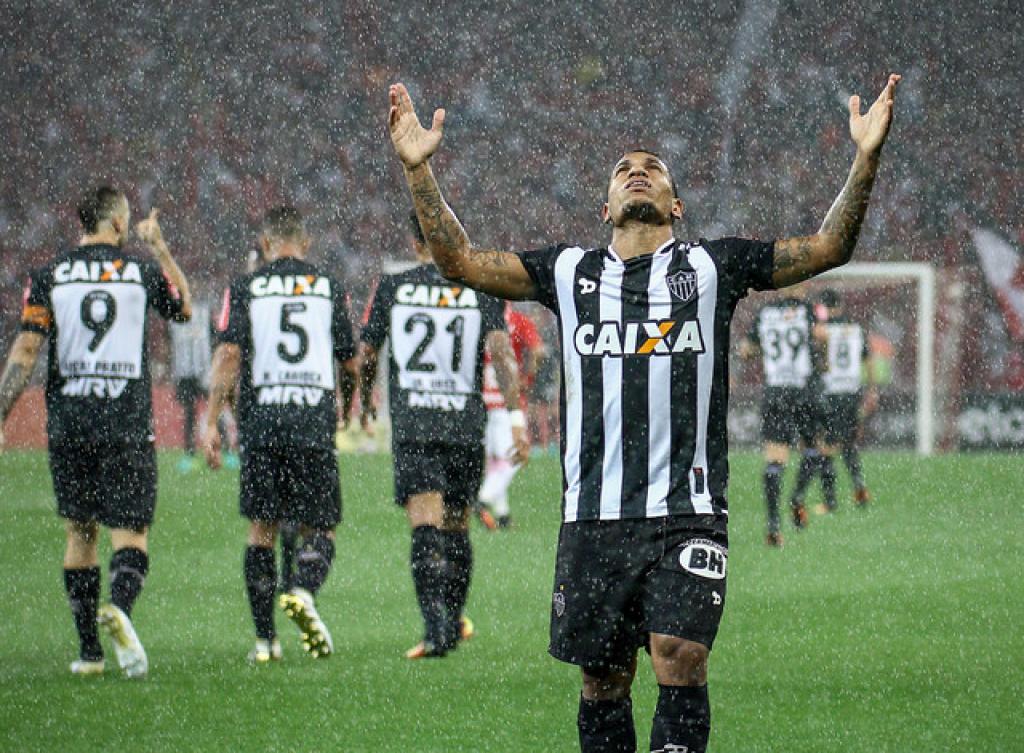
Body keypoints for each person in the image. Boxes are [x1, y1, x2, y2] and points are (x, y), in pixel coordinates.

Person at [386, 73, 900, 752]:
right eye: (624, 170)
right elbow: (455, 259)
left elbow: (829, 247)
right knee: (603, 680)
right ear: (605, 206)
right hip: (594, 516)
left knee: (680, 655)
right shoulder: (567, 272)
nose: (637, 174)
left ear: (676, 203)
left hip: (687, 508)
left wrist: (864, 158)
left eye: (652, 170)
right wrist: (420, 171)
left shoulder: (716, 267)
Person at [0, 186, 191, 677]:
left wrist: (1, 414)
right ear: (118, 224)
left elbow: (25, 352)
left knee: (80, 534)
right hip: (125, 422)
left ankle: (89, 652)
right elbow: (184, 308)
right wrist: (160, 246)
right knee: (131, 534)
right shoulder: (139, 270)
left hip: (70, 423)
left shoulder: (49, 276)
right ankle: (121, 610)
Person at [358, 210, 529, 659]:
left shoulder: (393, 286)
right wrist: (515, 417)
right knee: (456, 526)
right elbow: (501, 353)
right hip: (464, 425)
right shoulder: (480, 288)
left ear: (415, 244)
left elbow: (367, 353)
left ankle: (435, 630)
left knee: (426, 525)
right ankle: (452, 621)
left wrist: (362, 399)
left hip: (416, 424)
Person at [201, 206, 358, 663]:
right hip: (311, 421)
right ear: (305, 244)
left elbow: (228, 356)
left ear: (265, 244)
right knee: (321, 526)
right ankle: (304, 591)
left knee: (261, 531)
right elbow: (349, 365)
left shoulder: (245, 288)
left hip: (262, 422)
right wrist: (347, 407)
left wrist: (211, 422)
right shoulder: (329, 288)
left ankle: (265, 641)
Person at [739, 288, 820, 547]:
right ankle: (797, 497)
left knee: (775, 459)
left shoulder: (765, 312)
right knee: (812, 449)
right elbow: (821, 337)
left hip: (775, 391)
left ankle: (773, 525)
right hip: (803, 390)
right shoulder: (808, 310)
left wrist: (766, 351)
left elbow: (745, 351)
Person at [476, 302, 546, 529]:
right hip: (509, 400)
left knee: (495, 460)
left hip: (482, 399)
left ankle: (503, 515)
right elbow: (538, 351)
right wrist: (529, 377)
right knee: (513, 459)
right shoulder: (518, 320)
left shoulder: (480, 316)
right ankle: (483, 499)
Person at [809, 288, 876, 513]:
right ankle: (860, 489)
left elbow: (819, 360)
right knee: (848, 444)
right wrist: (872, 389)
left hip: (831, 392)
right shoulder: (856, 328)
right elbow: (868, 360)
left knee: (825, 446)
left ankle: (829, 502)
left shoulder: (822, 329)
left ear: (824, 307)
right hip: (852, 391)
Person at [168, 300, 213, 471]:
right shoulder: (176, 312)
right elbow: (169, 341)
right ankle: (189, 453)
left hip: (204, 370)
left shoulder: (204, 310)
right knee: (190, 412)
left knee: (215, 409)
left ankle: (226, 451)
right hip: (185, 372)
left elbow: (215, 336)